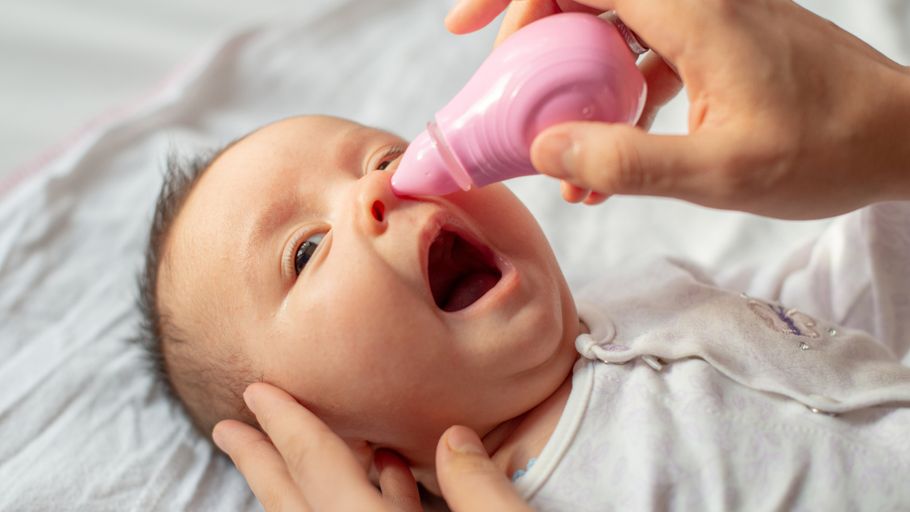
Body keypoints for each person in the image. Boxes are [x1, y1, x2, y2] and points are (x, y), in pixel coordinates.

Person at [136, 1, 910, 510]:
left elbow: (834, 318)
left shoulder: (647, 294)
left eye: (386, 155)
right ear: (340, 446)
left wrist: (885, 148)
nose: (381, 189)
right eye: (305, 251)